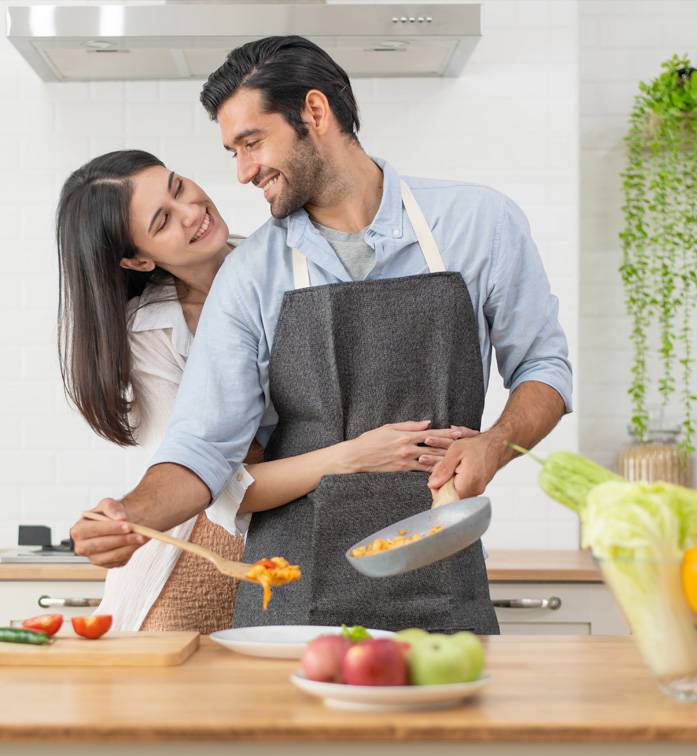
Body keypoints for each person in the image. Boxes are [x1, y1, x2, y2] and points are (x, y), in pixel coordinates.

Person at [71, 36, 573, 635]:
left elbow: (544, 367)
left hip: (440, 567)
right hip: (291, 591)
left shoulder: (479, 223)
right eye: (233, 151)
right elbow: (203, 448)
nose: (242, 171)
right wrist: (129, 513)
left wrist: (496, 444)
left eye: (252, 143)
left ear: (314, 111)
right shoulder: (249, 274)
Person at [57, 149, 467, 632]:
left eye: (178, 186)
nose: (191, 211)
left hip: (308, 548)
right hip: (192, 570)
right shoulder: (150, 336)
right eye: (163, 220)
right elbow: (222, 489)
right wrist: (353, 456)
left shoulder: (283, 263)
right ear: (138, 259)